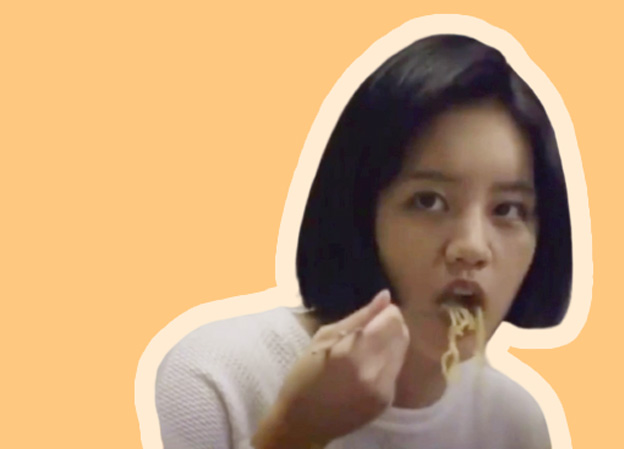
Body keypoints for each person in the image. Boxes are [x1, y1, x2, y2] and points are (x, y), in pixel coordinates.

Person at [155, 34, 572, 449]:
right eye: (428, 201)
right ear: (358, 211)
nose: (472, 247)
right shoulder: (218, 373)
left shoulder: (516, 423)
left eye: (508, 210)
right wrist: (294, 432)